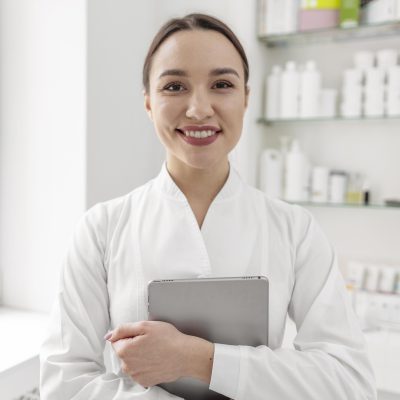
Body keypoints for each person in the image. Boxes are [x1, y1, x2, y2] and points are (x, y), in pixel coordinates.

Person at [40, 13, 377, 400]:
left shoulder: (295, 229)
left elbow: (350, 383)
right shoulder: (101, 229)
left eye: (221, 84)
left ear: (246, 98)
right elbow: (62, 384)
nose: (199, 109)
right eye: (174, 86)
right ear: (149, 102)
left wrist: (200, 360)